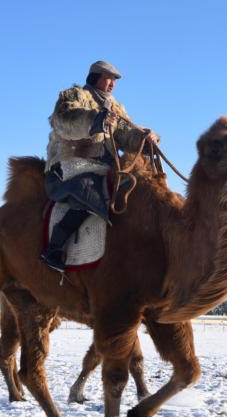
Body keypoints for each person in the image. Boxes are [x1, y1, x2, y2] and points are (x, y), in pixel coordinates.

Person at [40, 60, 159, 272]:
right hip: (70, 166)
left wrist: (145, 137)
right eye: (108, 78)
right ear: (95, 78)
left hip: (104, 169)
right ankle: (54, 249)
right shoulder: (75, 96)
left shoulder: (116, 108)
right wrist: (97, 120)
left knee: (136, 190)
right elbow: (65, 121)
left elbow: (126, 134)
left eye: (114, 80)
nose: (112, 83)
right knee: (89, 192)